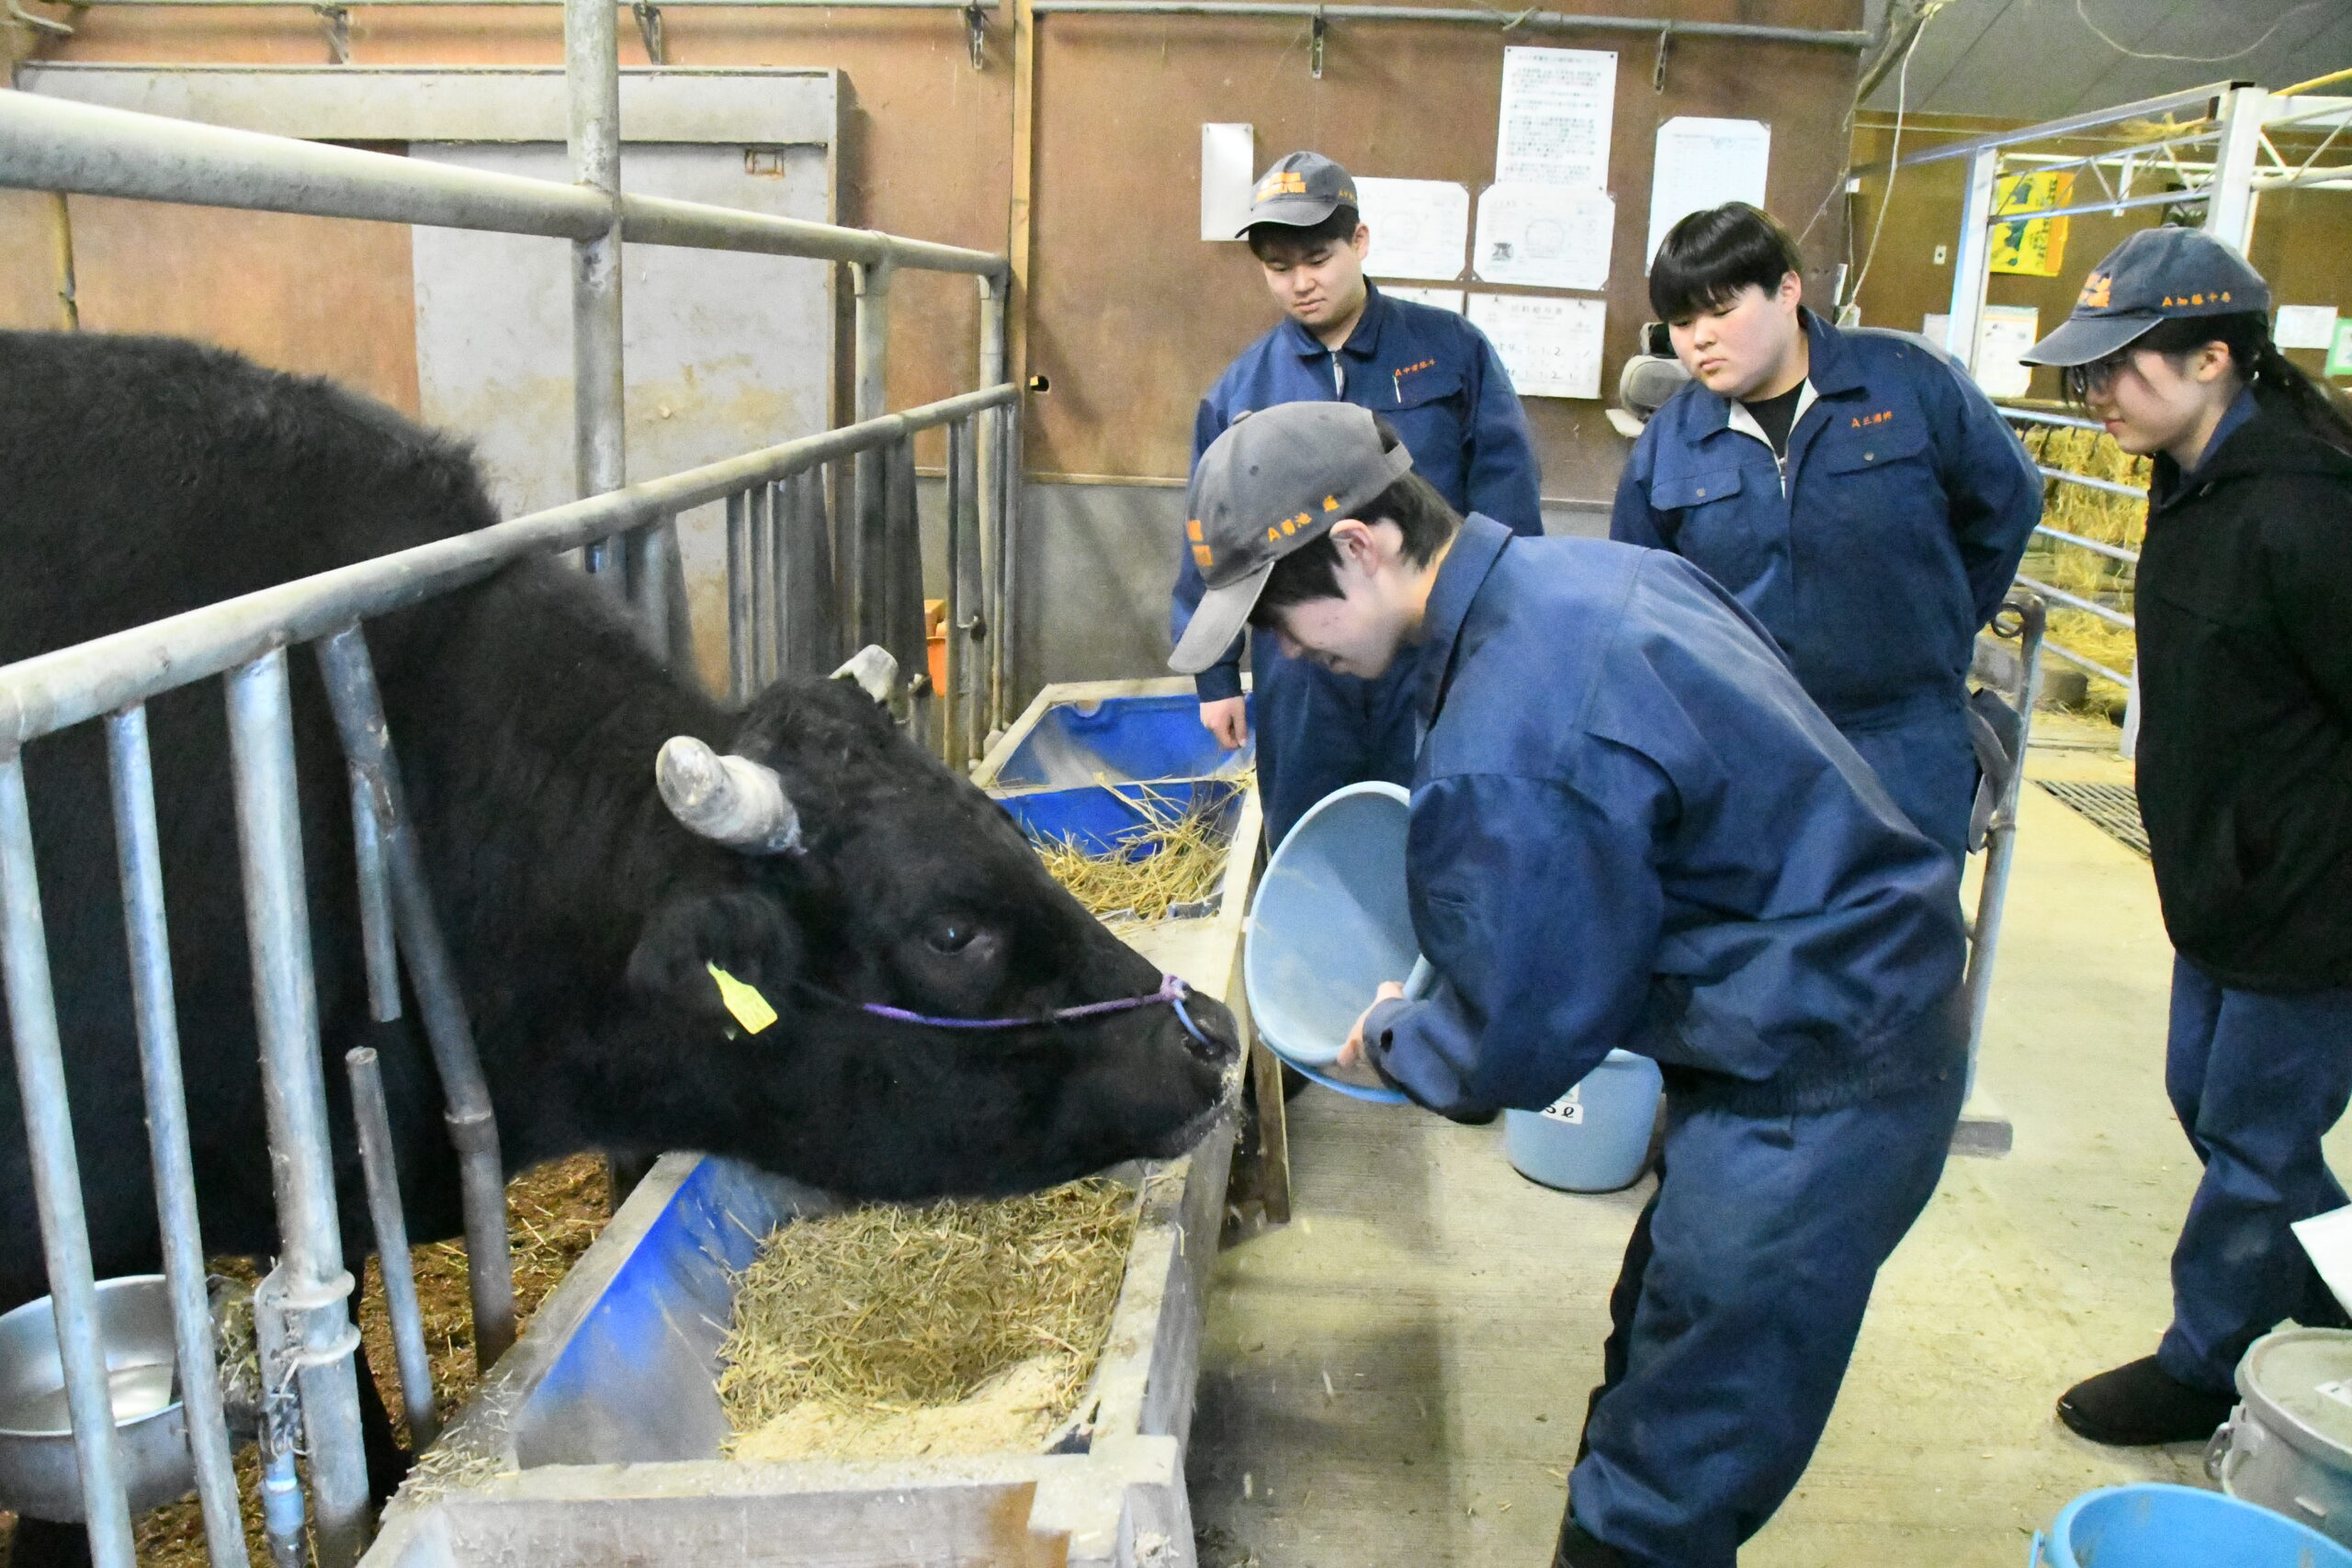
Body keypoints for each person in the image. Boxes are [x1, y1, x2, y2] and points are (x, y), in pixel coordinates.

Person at [1171, 400, 1970, 1568]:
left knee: (1670, 1464)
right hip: (1827, 1006)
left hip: (1820, 1074)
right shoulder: (1587, 580)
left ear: (1360, 545)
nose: (1286, 653)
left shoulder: (1516, 726)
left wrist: (1398, 1039)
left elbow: (1521, 1035)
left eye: (1281, 619)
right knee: (1658, 1343)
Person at [2016, 227, 2352, 1446]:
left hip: (2308, 897)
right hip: (2220, 881)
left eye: (2121, 365)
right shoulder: (2191, 478)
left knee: (2254, 1142)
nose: (2097, 390)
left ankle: (2205, 1360)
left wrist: (2293, 853)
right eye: (2087, 368)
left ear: (2217, 356)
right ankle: (2330, 1289)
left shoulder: (2311, 511)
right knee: (2210, 1102)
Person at [1611, 202, 2043, 862]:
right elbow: (1642, 600)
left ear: (1788, 290)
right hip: (1745, 750)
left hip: (1903, 742)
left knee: (1898, 942)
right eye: (1680, 322)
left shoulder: (1907, 383)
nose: (1699, 338)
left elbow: (2004, 507)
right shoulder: (1672, 444)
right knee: (1762, 946)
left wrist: (1937, 620)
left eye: (1721, 311)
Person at [1171, 149, 1542, 848]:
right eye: (1279, 268)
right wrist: (1214, 677)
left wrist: (1503, 641)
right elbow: (1208, 537)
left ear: (1360, 242)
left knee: (1444, 834)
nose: (1300, 283)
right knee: (1316, 840)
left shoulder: (1451, 352)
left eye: (1318, 257)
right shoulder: (1240, 392)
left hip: (1431, 652)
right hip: (1304, 666)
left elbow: (1508, 498)